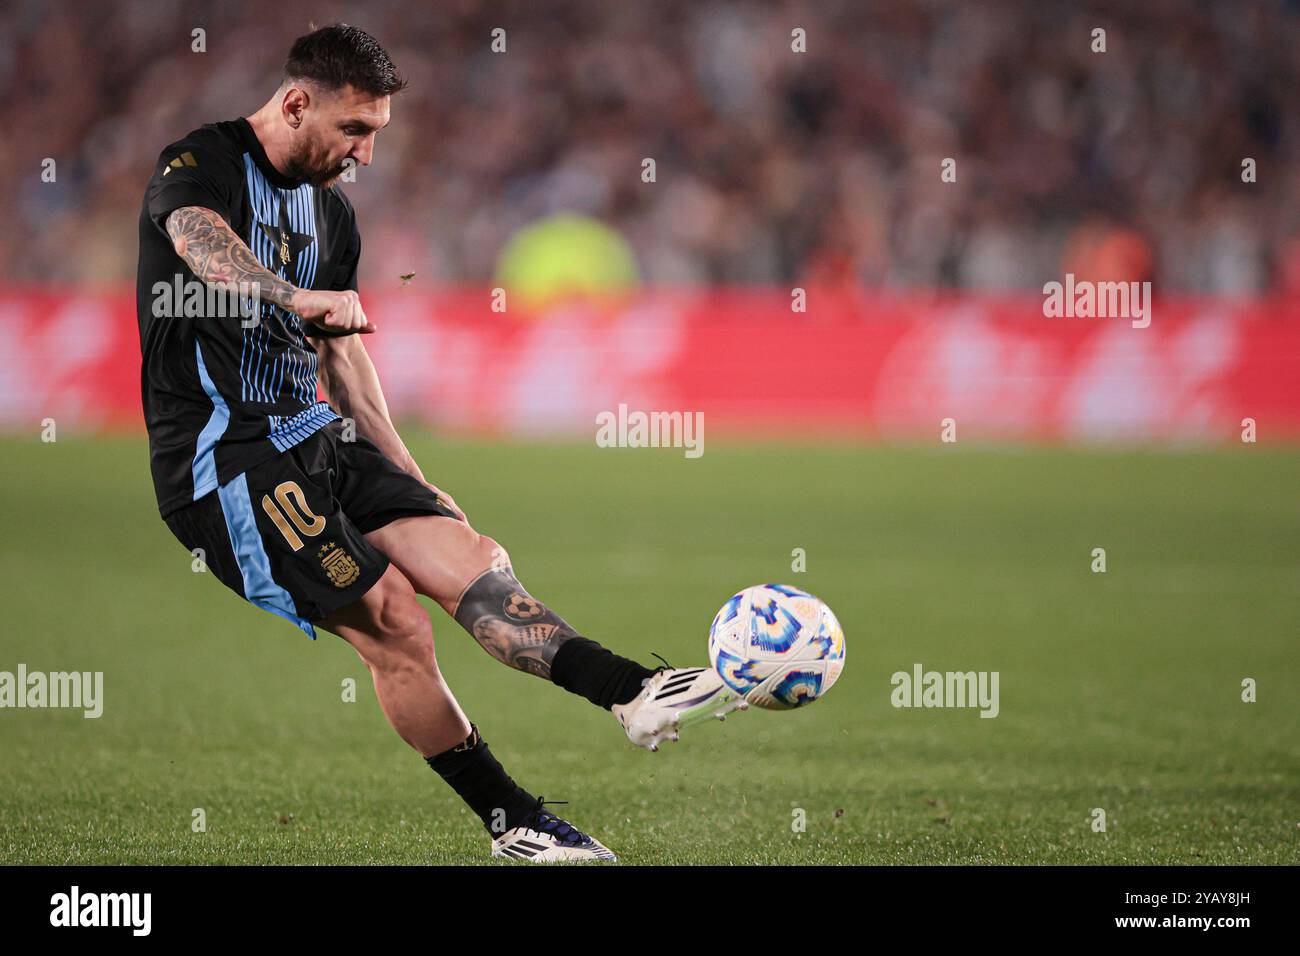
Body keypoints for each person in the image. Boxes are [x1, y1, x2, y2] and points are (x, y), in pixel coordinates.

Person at [136, 23, 744, 863]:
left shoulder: (333, 215)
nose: (366, 154)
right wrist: (293, 297)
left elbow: (344, 360)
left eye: (377, 133)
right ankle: (515, 823)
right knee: (395, 622)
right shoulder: (200, 164)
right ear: (297, 102)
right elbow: (196, 243)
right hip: (224, 460)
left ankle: (632, 692)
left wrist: (412, 475)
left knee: (470, 557)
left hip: (316, 434)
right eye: (354, 130)